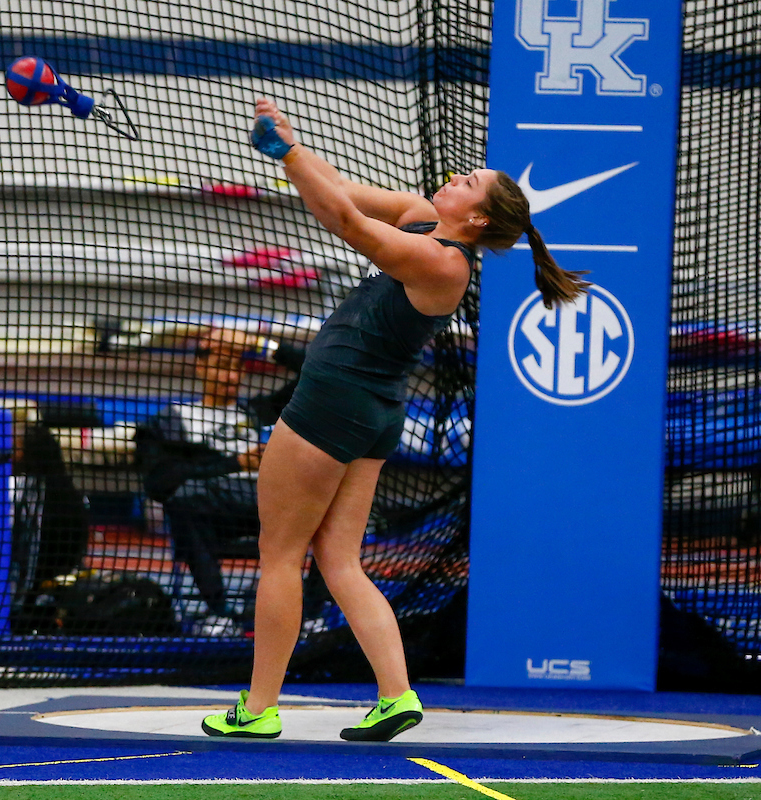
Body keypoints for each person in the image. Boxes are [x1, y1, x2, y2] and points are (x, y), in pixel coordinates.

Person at [202, 98, 590, 742]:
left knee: (279, 553)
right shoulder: (422, 219)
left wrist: (288, 158)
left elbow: (348, 224)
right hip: (370, 411)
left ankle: (259, 707)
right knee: (338, 559)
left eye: (468, 184)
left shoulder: (443, 264)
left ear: (477, 217)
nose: (455, 179)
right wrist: (294, 147)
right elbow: (345, 190)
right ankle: (396, 695)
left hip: (333, 404)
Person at [135, 328, 329, 636]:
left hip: (270, 504)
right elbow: (159, 483)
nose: (230, 377)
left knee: (329, 509)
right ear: (200, 367)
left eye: (236, 368)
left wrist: (260, 344)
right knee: (183, 497)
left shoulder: (256, 411)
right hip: (213, 512)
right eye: (221, 366)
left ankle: (313, 614)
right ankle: (219, 612)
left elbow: (319, 372)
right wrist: (234, 463)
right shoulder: (172, 419)